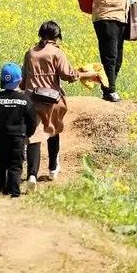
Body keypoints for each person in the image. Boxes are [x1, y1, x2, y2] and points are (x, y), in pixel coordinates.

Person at [21, 20, 92, 184]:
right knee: (53, 131)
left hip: (32, 99)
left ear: (40, 34)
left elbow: (24, 79)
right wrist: (84, 74)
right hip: (52, 100)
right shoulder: (56, 53)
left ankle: (32, 175)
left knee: (34, 137)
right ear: (56, 36)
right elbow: (68, 75)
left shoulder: (30, 53)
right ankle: (53, 168)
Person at [0, 63, 39, 198]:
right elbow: (32, 120)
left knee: (0, 164)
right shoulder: (25, 99)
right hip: (17, 138)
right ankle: (14, 192)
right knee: (15, 165)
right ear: (19, 80)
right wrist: (28, 133)